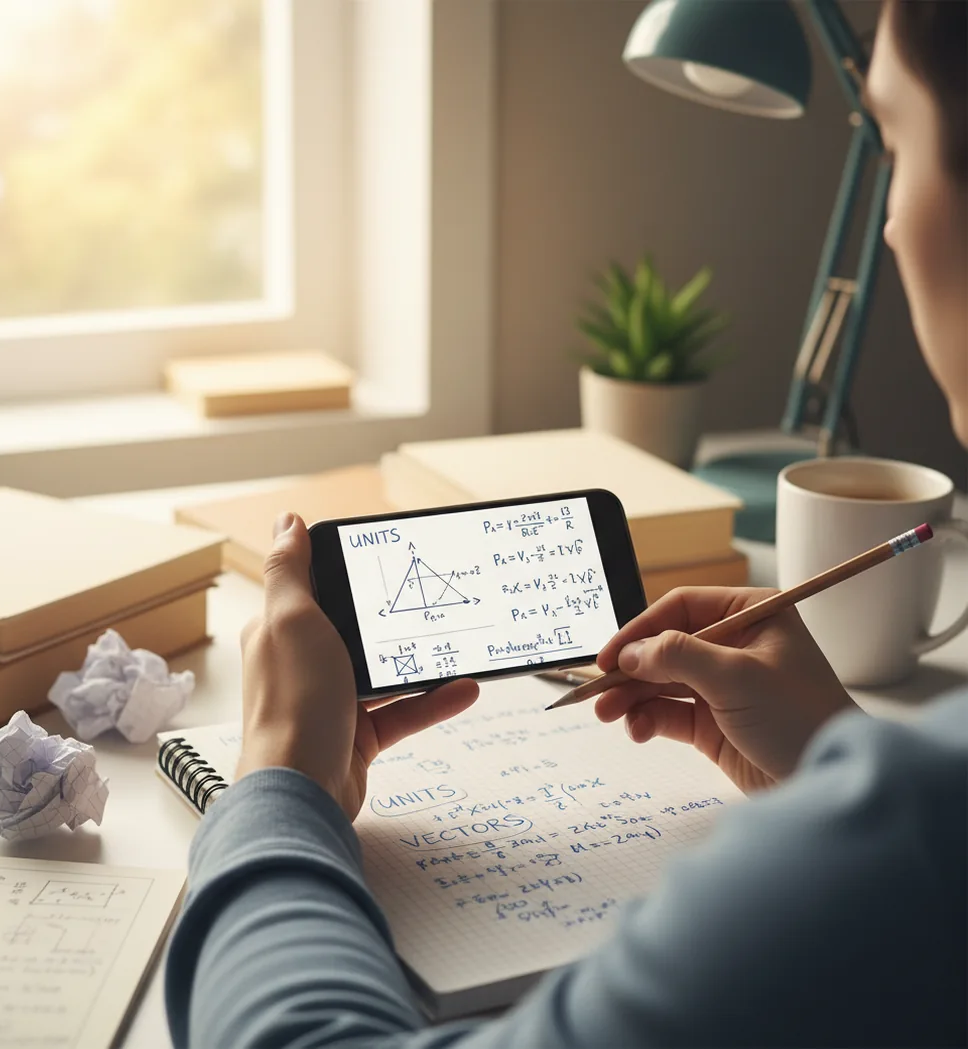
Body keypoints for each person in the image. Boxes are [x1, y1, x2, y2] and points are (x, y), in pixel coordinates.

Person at [165, 2, 967, 1045]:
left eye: (894, 138)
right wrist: (840, 761)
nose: (894, 219)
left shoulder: (897, 850)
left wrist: (276, 780)